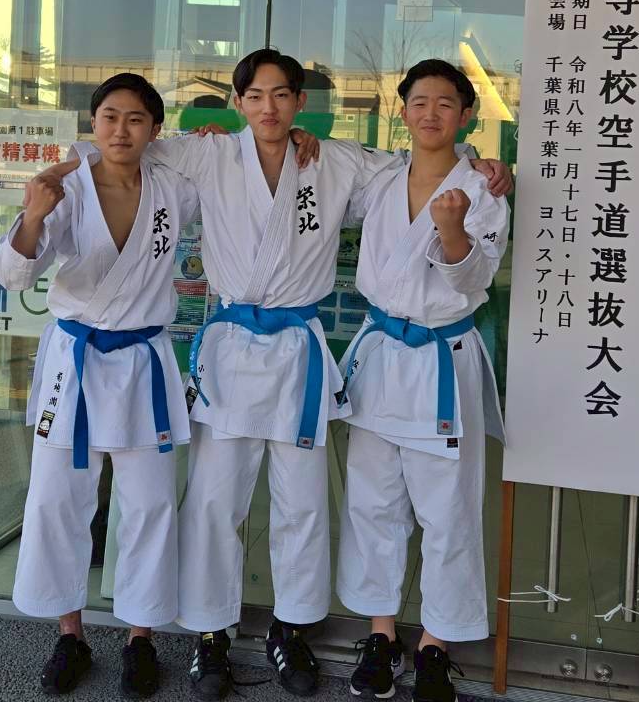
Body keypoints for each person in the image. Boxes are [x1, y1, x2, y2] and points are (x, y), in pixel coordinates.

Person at [47, 49, 510, 700]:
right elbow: (123, 147)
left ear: (300, 104)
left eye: (282, 95)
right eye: (256, 96)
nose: (269, 107)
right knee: (214, 500)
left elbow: (424, 170)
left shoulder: (341, 162)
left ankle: (292, 629)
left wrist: (483, 165)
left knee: (303, 501)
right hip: (232, 350)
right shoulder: (208, 154)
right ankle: (210, 633)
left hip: (298, 351)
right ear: (239, 102)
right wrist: (60, 173)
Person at [0, 73, 199, 699]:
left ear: (155, 129)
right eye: (110, 117)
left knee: (150, 503)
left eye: (136, 119)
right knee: (58, 500)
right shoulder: (68, 189)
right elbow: (13, 275)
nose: (121, 130)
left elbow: (227, 161)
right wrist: (33, 213)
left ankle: (141, 636)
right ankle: (70, 634)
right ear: (93, 123)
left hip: (142, 363)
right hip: (76, 363)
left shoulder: (173, 188)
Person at [334, 59, 509, 702]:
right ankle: (381, 634)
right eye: (419, 102)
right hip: (382, 354)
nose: (430, 113)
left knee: (448, 510)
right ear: (402, 110)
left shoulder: (483, 190)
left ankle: (436, 643)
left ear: (466, 115)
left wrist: (453, 229)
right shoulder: (380, 177)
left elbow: (475, 278)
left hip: (441, 359)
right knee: (373, 502)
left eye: (445, 103)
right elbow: (315, 170)